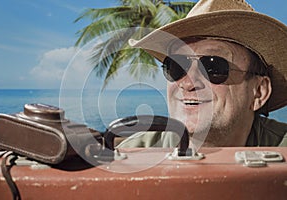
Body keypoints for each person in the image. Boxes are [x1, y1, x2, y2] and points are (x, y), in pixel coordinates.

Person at [118, 0, 287, 148]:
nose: (187, 83)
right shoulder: (134, 154)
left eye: (212, 67)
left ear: (259, 91)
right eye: (176, 66)